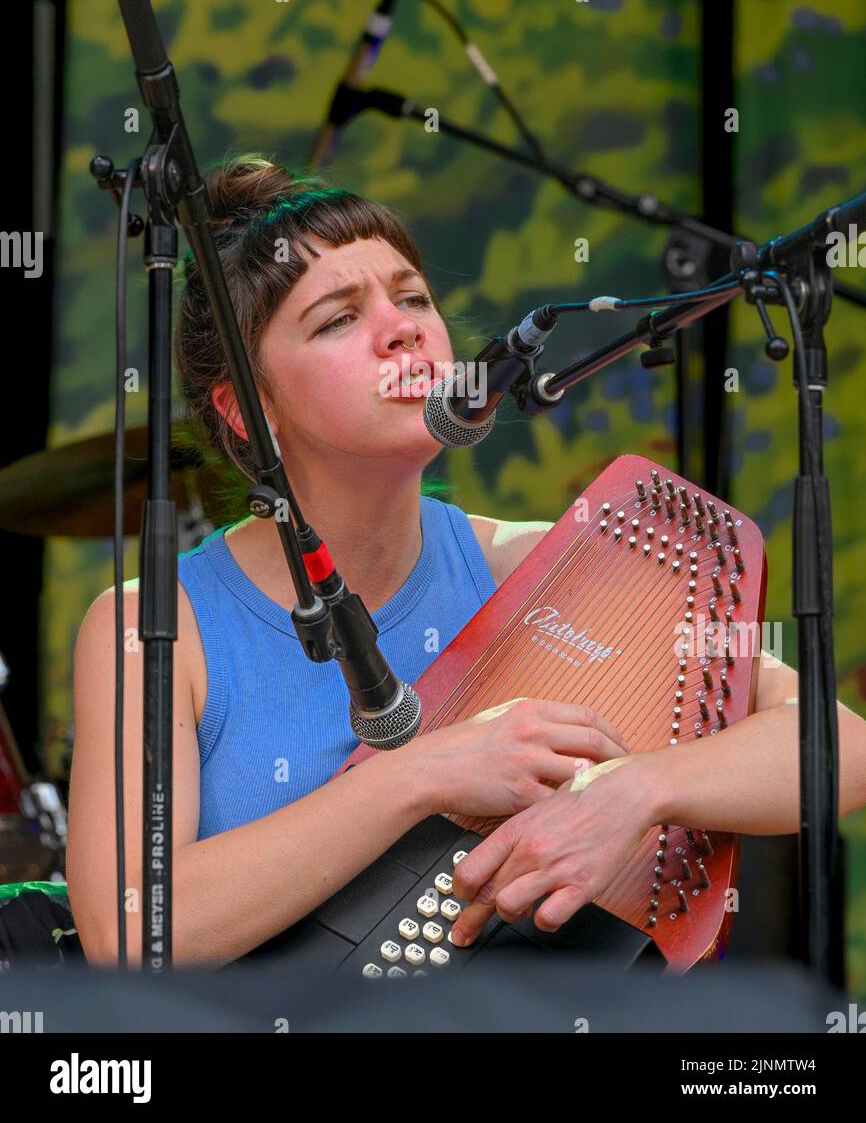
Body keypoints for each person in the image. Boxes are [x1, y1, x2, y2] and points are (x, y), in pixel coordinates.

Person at [66, 157, 866, 967]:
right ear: (251, 413)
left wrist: (636, 792)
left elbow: (838, 745)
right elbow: (129, 933)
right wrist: (420, 775)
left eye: (412, 297)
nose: (405, 326)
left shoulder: (551, 565)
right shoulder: (151, 627)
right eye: (339, 319)